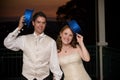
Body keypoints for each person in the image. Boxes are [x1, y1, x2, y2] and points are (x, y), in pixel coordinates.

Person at [4, 11, 63, 80]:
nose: (41, 25)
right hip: (26, 77)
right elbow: (7, 43)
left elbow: (54, 63)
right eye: (38, 22)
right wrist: (19, 28)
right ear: (33, 23)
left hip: (44, 78)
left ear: (45, 24)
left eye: (43, 23)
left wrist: (56, 78)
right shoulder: (24, 39)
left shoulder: (51, 42)